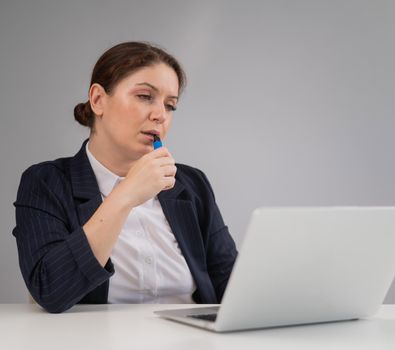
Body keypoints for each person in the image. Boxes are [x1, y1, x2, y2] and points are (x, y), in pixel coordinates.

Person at [12, 41, 238, 313]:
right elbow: (50, 289)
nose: (160, 116)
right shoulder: (46, 182)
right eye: (144, 96)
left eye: (170, 106)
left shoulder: (192, 184)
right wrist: (127, 194)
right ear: (97, 100)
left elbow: (232, 287)